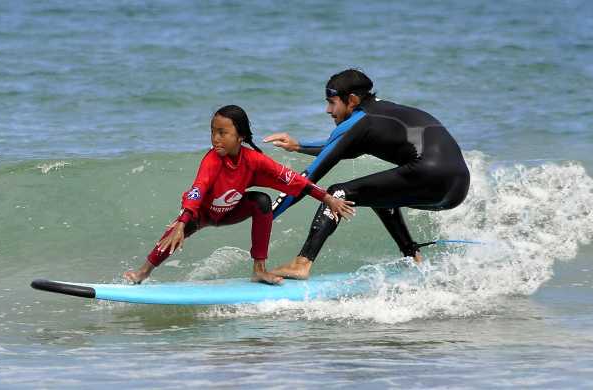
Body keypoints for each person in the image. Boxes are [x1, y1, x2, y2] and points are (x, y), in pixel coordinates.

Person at [264, 69, 469, 279]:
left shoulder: (359, 121)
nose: (328, 110)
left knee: (337, 194)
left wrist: (266, 216)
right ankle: (413, 256)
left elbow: (306, 180)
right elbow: (344, 146)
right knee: (380, 197)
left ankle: (301, 264)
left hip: (430, 175)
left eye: (332, 102)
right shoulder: (382, 111)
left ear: (351, 100)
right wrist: (299, 145)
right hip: (457, 186)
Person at [124, 105, 355, 285]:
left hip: (231, 211)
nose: (216, 138)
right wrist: (183, 221)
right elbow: (198, 188)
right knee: (175, 232)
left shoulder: (253, 161)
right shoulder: (212, 160)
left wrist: (327, 198)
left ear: (240, 136)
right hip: (202, 213)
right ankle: (143, 272)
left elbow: (293, 179)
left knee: (262, 201)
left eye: (223, 133)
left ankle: (259, 270)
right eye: (213, 132)